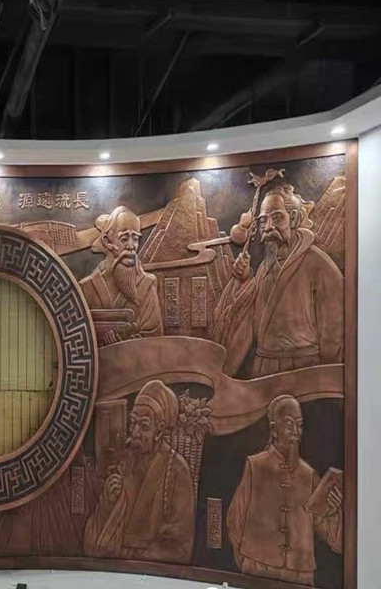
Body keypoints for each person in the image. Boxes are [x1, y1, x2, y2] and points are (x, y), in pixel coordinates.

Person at [212, 182, 343, 377]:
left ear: (294, 218)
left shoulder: (320, 266)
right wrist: (245, 280)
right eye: (263, 221)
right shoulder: (265, 268)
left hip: (303, 370)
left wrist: (324, 379)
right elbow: (251, 318)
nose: (268, 227)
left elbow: (335, 334)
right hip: (263, 368)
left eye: (277, 218)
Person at [227, 395, 343, 585]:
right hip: (257, 569)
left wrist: (335, 514)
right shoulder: (255, 467)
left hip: (300, 576)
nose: (296, 432)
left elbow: (334, 541)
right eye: (289, 425)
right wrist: (247, 560)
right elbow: (235, 520)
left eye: (299, 425)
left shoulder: (309, 476)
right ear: (274, 429)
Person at [83, 380, 194, 564]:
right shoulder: (123, 462)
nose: (134, 432)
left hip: (150, 569)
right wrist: (108, 504)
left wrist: (134, 559)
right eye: (133, 422)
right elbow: (92, 540)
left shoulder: (176, 470)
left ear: (159, 431)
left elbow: (178, 546)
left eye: (144, 426)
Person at [79, 206, 162, 343]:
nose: (131, 246)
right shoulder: (87, 287)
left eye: (135, 239)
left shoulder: (147, 284)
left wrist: (124, 343)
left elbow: (155, 338)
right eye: (124, 239)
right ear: (107, 241)